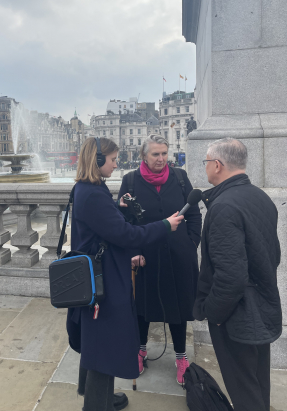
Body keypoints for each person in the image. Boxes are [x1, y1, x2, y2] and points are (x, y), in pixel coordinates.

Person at [67, 137, 184, 411]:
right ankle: (97, 405)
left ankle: (98, 396)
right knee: (103, 343)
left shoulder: (85, 189)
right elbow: (125, 235)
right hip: (103, 279)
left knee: (96, 340)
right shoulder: (94, 194)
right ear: (97, 161)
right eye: (113, 159)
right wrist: (165, 226)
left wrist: (116, 212)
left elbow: (102, 227)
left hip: (95, 274)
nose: (116, 164)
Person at [194, 138, 282, 411]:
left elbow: (230, 275)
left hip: (235, 315)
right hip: (260, 306)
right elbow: (272, 254)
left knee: (243, 390)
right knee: (257, 383)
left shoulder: (223, 207)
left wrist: (215, 313)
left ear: (217, 165)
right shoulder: (259, 196)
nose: (206, 167)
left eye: (207, 162)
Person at [118, 134, 202, 385]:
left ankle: (181, 356)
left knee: (178, 307)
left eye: (164, 153)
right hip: (145, 256)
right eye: (155, 154)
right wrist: (132, 252)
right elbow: (122, 221)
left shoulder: (180, 177)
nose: (161, 159)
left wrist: (191, 245)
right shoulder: (130, 180)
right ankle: (140, 350)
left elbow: (195, 214)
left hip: (179, 255)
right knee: (142, 307)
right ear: (144, 156)